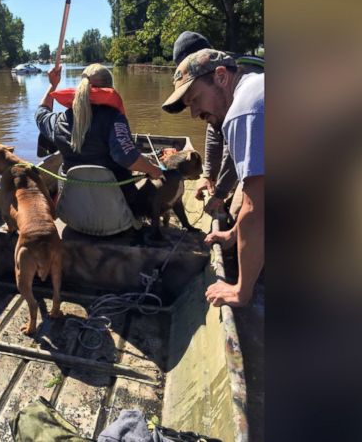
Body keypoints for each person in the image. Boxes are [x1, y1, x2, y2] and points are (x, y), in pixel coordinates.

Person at [162, 49, 264, 307]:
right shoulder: (256, 86)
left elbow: (256, 207)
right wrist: (231, 234)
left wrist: (241, 290)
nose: (194, 113)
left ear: (221, 77)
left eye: (195, 99)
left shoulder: (244, 109)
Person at [36, 64, 163, 208]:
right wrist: (155, 170)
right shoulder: (115, 118)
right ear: (110, 89)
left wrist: (53, 85)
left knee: (61, 170)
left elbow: (41, 114)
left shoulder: (60, 120)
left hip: (74, 214)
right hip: (115, 214)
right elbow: (126, 157)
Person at [172, 32, 264, 213]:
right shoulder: (216, 89)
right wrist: (209, 175)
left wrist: (220, 193)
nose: (194, 113)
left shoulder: (241, 78)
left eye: (196, 100)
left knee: (238, 211)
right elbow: (215, 131)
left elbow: (237, 144)